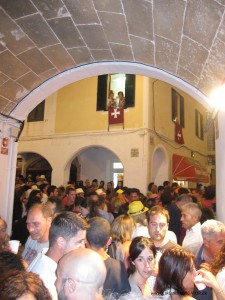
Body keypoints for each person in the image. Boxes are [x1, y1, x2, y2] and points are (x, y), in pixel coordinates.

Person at [27, 211, 88, 300]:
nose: (83, 247)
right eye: (79, 242)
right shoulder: (47, 283)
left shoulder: (44, 257)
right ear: (61, 242)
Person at [86, 217, 131, 298]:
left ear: (85, 239)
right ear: (109, 241)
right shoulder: (117, 267)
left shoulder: (77, 264)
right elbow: (125, 296)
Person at [194, 219, 225, 300]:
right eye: (220, 242)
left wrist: (215, 276)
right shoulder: (192, 263)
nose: (224, 245)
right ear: (206, 242)